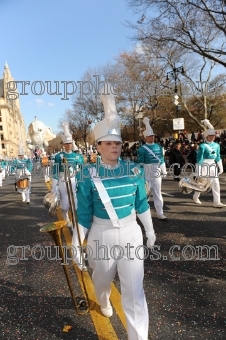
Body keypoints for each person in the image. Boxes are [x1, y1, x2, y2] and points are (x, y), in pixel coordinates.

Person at [73, 85, 156, 340]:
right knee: (101, 281)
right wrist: (77, 241)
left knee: (134, 292)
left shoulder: (133, 171)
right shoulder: (87, 175)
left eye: (117, 143)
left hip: (131, 233)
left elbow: (141, 203)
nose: (114, 147)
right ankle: (104, 299)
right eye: (108, 143)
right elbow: (84, 214)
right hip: (101, 234)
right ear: (98, 146)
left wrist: (149, 230)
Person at [51, 122, 85, 269]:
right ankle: (65, 217)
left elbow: (83, 172)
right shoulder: (58, 156)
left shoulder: (78, 157)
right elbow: (54, 172)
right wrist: (54, 187)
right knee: (65, 206)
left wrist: (82, 183)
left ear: (72, 143)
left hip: (74, 181)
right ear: (63, 144)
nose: (68, 145)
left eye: (70, 143)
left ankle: (76, 224)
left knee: (76, 205)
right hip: (63, 181)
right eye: (66, 143)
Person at [137, 117, 167, 220]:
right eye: (149, 136)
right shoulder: (141, 149)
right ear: (145, 137)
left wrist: (164, 170)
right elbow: (140, 162)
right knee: (145, 193)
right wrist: (140, 174)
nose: (152, 137)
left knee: (157, 193)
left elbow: (161, 159)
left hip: (157, 171)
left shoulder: (159, 147)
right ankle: (144, 213)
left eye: (153, 136)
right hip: (146, 172)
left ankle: (160, 212)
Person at [192, 119, 225, 207]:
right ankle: (196, 196)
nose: (212, 137)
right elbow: (199, 158)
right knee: (202, 183)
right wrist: (198, 169)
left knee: (216, 183)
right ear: (206, 136)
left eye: (213, 135)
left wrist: (220, 167)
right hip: (204, 164)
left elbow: (218, 156)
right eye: (210, 136)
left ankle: (217, 201)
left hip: (213, 165)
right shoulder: (202, 146)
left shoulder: (217, 145)